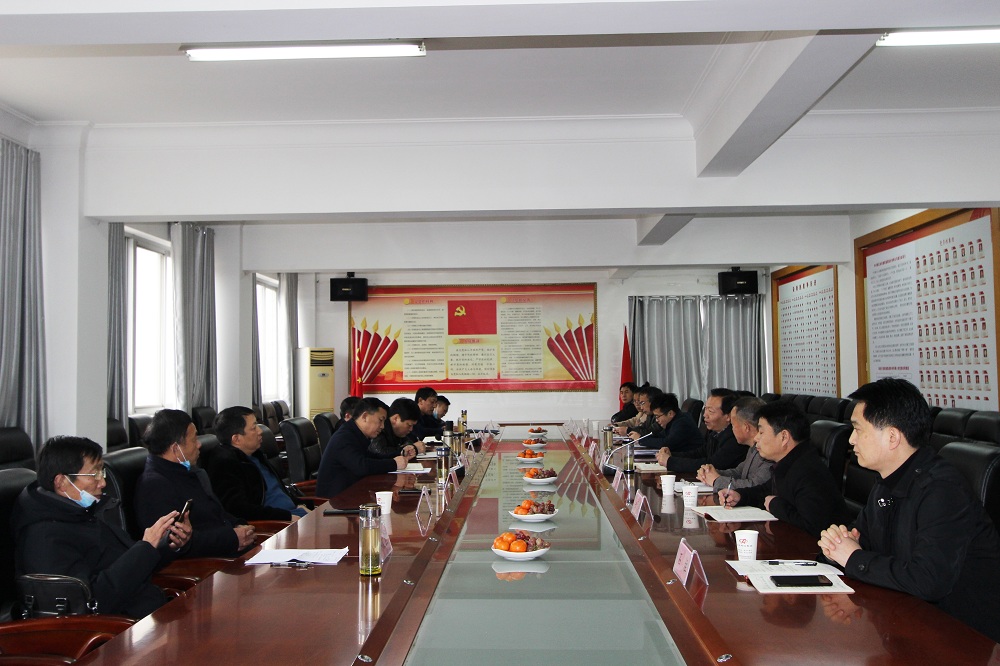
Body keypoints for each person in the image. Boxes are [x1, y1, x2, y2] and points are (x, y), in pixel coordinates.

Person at [818, 378, 1000, 642]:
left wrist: (853, 558)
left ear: (892, 437)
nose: (851, 439)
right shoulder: (886, 482)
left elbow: (929, 580)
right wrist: (837, 545)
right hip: (905, 620)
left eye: (858, 429)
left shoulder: (941, 489)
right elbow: (860, 537)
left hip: (961, 637)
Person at [12, 436, 191, 619]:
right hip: (115, 627)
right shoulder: (44, 537)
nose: (103, 483)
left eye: (101, 472)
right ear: (62, 482)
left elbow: (128, 560)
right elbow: (94, 602)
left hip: (144, 609)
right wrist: (145, 548)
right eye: (94, 474)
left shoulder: (81, 513)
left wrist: (169, 543)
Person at [135, 409, 256, 558]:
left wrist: (238, 524)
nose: (199, 445)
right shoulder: (154, 486)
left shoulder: (187, 471)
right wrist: (232, 538)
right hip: (210, 563)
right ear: (176, 448)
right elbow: (174, 543)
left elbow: (216, 513)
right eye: (194, 440)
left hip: (230, 551)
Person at [718, 401, 848, 538]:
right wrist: (740, 496)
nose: (756, 438)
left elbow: (812, 527)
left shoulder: (809, 472)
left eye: (761, 432)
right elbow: (766, 491)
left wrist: (775, 505)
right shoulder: (789, 462)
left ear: (784, 437)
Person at [204, 406, 312, 522]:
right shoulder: (225, 464)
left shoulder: (256, 455)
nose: (260, 431)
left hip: (295, 514)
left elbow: (280, 492)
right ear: (236, 439)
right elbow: (239, 510)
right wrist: (287, 517)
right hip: (278, 524)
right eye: (254, 428)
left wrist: (301, 505)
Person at [316, 397, 412, 498]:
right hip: (334, 501)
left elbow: (371, 457)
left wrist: (399, 453)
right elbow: (361, 466)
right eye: (380, 420)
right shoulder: (344, 437)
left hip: (351, 493)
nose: (383, 426)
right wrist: (394, 464)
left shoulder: (355, 432)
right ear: (365, 416)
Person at [657, 388, 744, 473]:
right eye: (705, 409)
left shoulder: (736, 438)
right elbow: (700, 453)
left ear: (728, 416)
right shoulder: (715, 432)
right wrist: (671, 455)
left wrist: (671, 462)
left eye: (710, 411)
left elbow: (713, 464)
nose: (705, 415)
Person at [697, 396, 773, 491]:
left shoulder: (768, 452)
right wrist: (711, 473)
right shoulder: (752, 448)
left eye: (733, 425)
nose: (731, 430)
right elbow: (739, 472)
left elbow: (754, 486)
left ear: (746, 427)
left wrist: (716, 480)